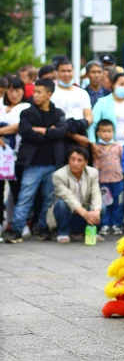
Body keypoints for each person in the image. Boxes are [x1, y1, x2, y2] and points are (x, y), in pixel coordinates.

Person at [4, 78, 67, 243]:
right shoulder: (27, 113)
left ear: (49, 94)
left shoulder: (58, 113)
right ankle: (17, 229)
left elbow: (61, 132)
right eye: (34, 92)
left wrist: (41, 131)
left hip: (53, 163)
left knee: (48, 199)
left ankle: (43, 228)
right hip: (32, 163)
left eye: (39, 92)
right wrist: (49, 132)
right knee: (25, 197)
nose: (35, 95)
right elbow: (27, 133)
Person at [50, 147, 102, 243]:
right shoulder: (59, 175)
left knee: (100, 206)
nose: (75, 163)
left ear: (86, 162)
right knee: (61, 204)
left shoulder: (93, 173)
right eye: (72, 159)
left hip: (85, 214)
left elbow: (96, 193)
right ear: (68, 160)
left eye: (79, 160)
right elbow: (67, 196)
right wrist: (85, 214)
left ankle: (91, 230)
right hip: (68, 214)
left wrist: (96, 211)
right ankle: (63, 233)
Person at [0, 77, 31, 234]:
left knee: (17, 191)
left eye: (18, 90)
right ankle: (2, 222)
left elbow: (19, 126)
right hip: (0, 158)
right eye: (11, 90)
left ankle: (20, 222)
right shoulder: (1, 106)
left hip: (16, 156)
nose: (14, 94)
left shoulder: (25, 107)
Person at [88, 73, 124, 151]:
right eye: (121, 84)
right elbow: (92, 125)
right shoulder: (102, 103)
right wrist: (93, 144)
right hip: (107, 148)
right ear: (113, 84)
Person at [51, 57, 93, 150]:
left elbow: (89, 116)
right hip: (60, 138)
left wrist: (82, 124)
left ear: (73, 72)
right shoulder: (51, 93)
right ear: (56, 73)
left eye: (69, 71)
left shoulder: (82, 93)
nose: (66, 74)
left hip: (81, 134)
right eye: (63, 71)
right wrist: (76, 137)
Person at [93, 119, 124, 236]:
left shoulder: (118, 146)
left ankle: (117, 224)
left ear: (113, 132)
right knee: (105, 203)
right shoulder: (97, 147)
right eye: (104, 131)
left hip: (118, 180)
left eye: (109, 131)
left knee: (118, 203)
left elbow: (122, 160)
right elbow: (95, 163)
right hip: (103, 181)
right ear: (98, 133)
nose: (106, 134)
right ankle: (105, 224)